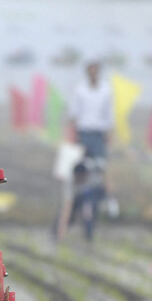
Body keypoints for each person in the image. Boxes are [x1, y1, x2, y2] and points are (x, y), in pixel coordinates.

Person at [67, 60, 112, 211]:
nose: (93, 73)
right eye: (90, 70)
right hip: (84, 133)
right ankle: (80, 199)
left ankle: (98, 200)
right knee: (82, 169)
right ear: (87, 72)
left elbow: (109, 113)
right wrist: (72, 135)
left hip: (99, 134)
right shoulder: (80, 89)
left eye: (95, 70)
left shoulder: (106, 89)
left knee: (100, 167)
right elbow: (74, 113)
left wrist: (109, 132)